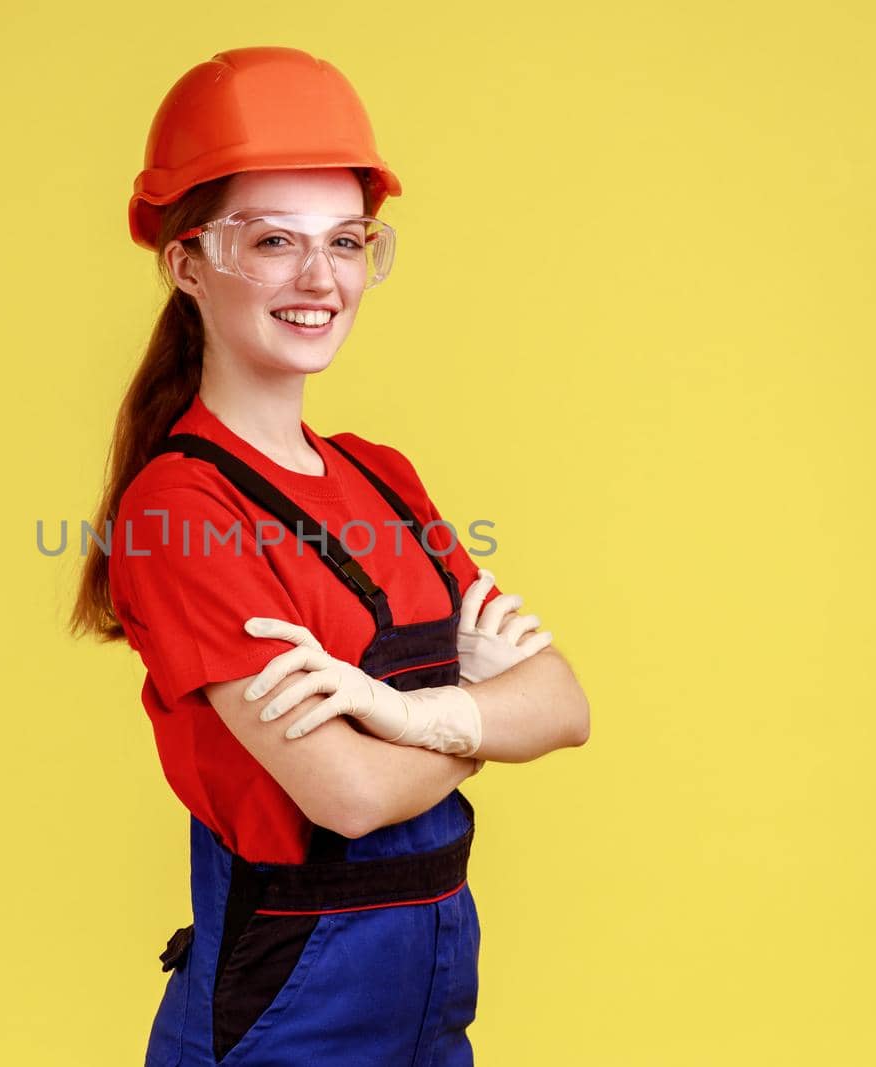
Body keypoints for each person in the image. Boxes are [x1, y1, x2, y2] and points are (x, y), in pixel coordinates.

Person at [70, 46, 591, 1066]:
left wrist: (398, 714)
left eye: (346, 241)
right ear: (186, 262)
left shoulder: (382, 476)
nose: (320, 279)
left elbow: (566, 703)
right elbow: (342, 792)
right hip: (290, 1006)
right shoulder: (179, 509)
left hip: (435, 980)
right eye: (273, 240)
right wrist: (481, 722)